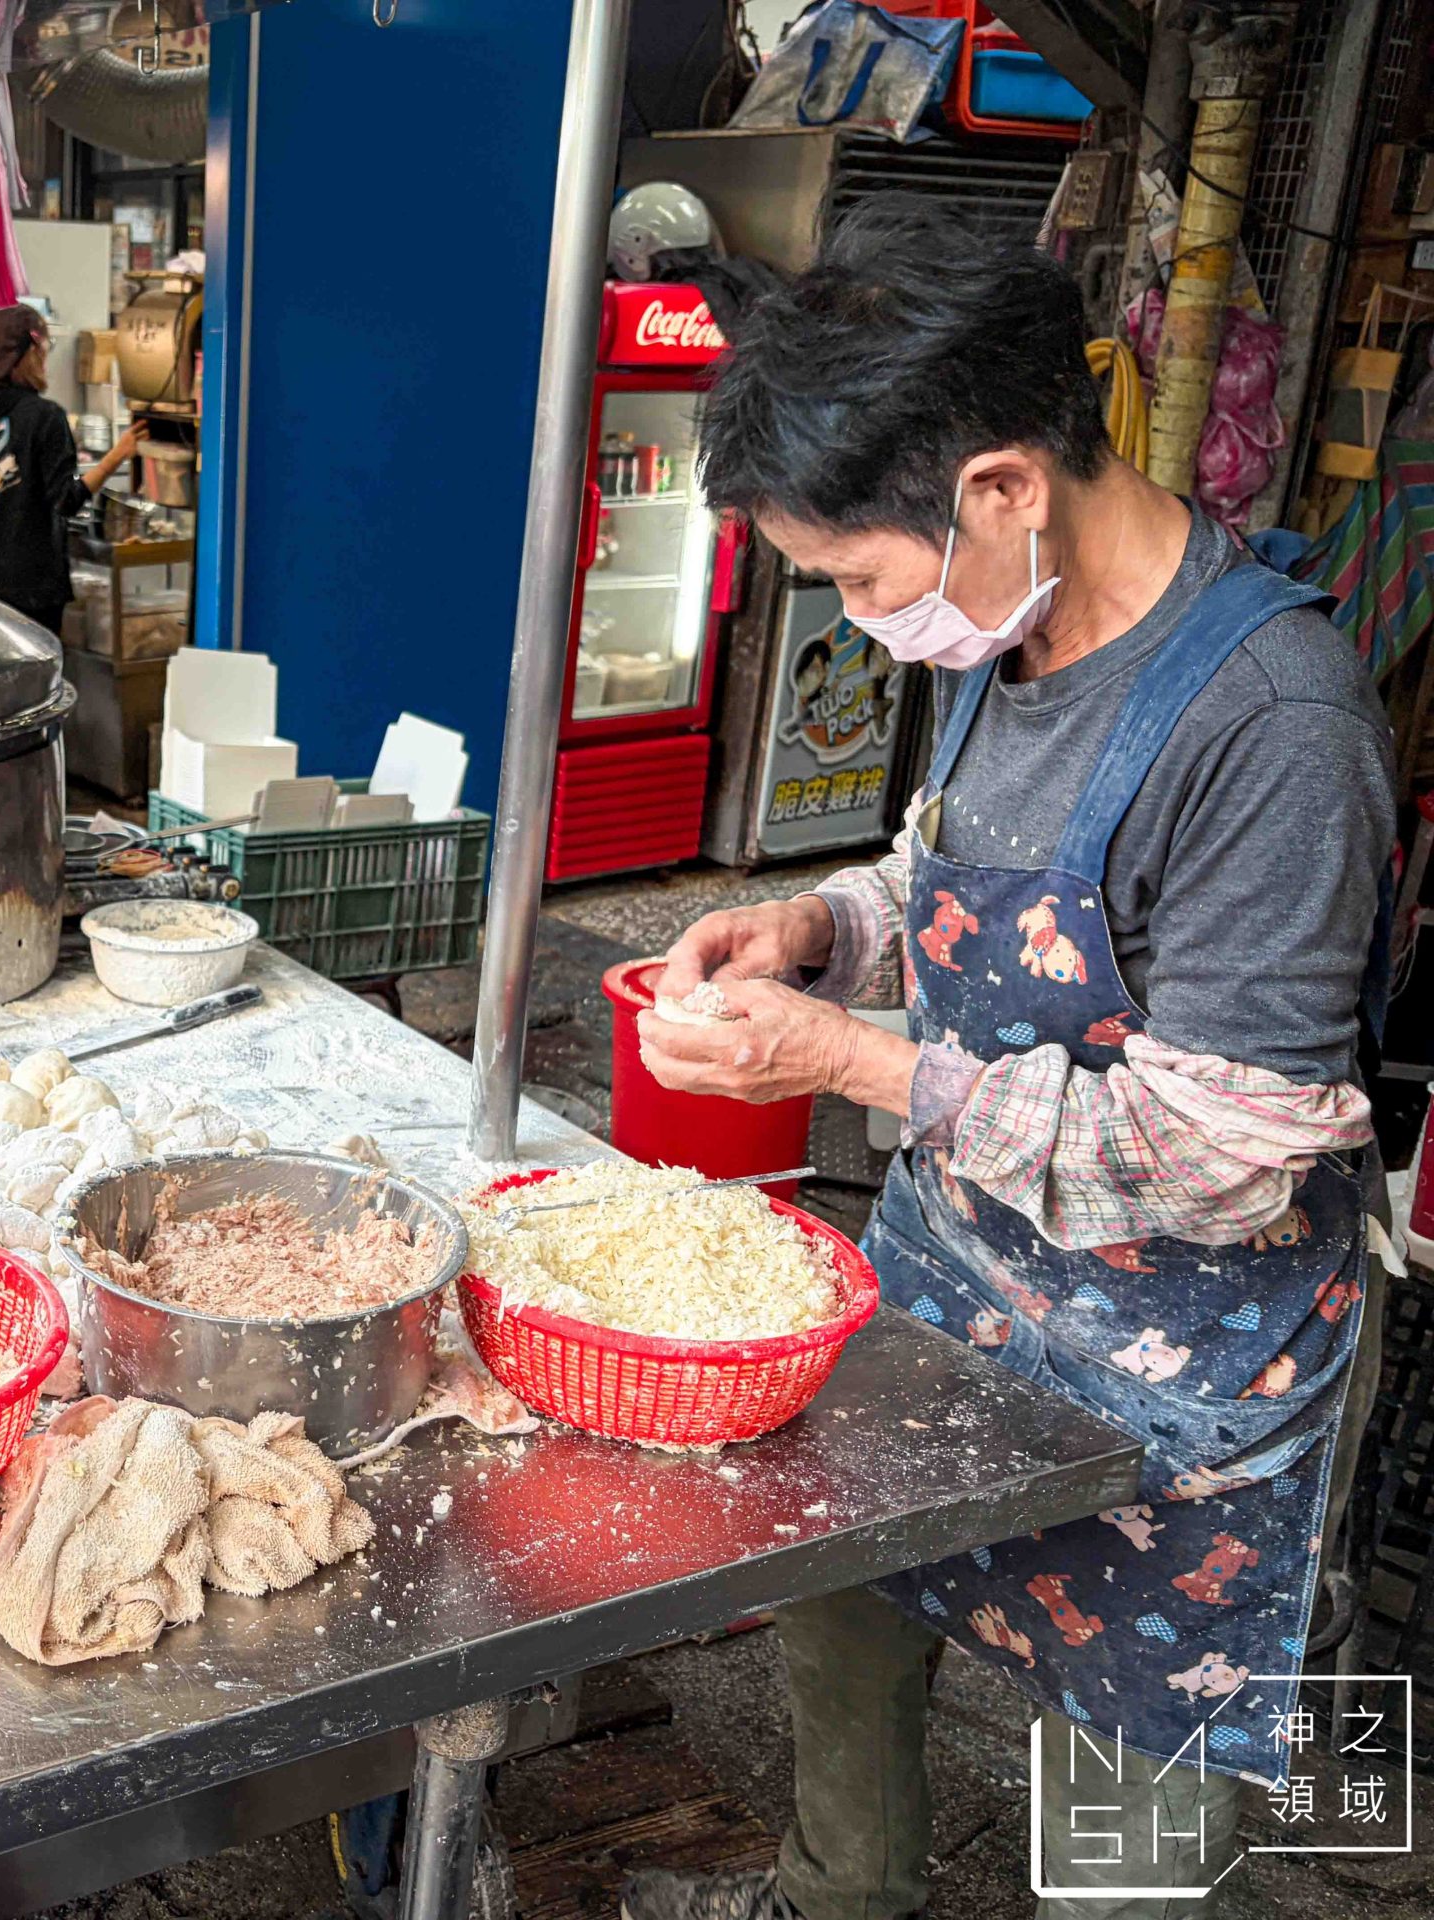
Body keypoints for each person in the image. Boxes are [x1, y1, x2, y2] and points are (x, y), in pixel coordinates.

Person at [623, 207, 1396, 1920]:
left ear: (999, 488)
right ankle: (840, 1897)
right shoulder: (1011, 628)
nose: (859, 618)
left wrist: (853, 1063)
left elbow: (1232, 1146)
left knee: (1127, 1810)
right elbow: (964, 877)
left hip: (1181, 1376)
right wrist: (821, 931)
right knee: (842, 1604)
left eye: (856, 581)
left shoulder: (1274, 726)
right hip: (958, 1282)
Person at [0, 302, 143, 636]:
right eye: (44, 348)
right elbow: (66, 500)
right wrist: (118, 455)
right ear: (27, 353)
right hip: (33, 584)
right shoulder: (44, 417)